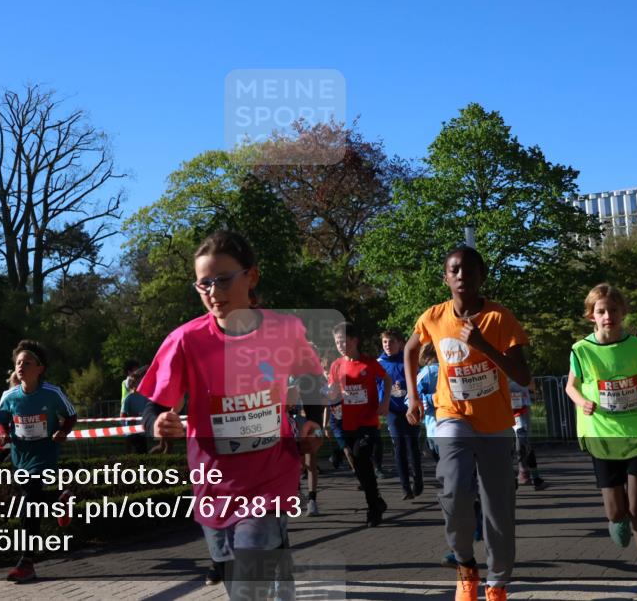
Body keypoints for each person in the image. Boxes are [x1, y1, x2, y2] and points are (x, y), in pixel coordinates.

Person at [138, 230, 324, 601]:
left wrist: (313, 422)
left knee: (247, 583)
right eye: (203, 283)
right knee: (232, 570)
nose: (212, 291)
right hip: (213, 483)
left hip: (270, 476)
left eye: (223, 280)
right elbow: (153, 407)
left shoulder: (285, 330)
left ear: (251, 276)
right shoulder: (185, 340)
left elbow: (312, 380)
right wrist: (156, 423)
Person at [405, 245, 531, 601]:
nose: (462, 276)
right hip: (452, 415)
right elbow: (410, 349)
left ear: (482, 276)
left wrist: (484, 345)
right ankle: (465, 567)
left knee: (497, 506)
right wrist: (413, 397)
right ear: (445, 278)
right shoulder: (433, 316)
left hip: (494, 423)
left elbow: (523, 375)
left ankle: (497, 583)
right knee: (454, 490)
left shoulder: (499, 317)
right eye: (455, 270)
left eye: (469, 270)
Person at [565, 283, 637, 597]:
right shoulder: (581, 350)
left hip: (636, 431)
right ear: (591, 316)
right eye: (601, 311)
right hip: (602, 434)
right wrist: (582, 402)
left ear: (623, 312)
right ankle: (615, 519)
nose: (608, 315)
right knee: (616, 512)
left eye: (613, 310)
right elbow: (570, 386)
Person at [0, 339, 78, 583]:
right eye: (18, 362)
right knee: (30, 499)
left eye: (27, 362)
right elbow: (0, 419)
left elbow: (71, 415)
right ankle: (60, 499)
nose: (21, 366)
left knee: (28, 503)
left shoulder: (52, 393)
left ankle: (26, 562)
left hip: (44, 455)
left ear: (40, 368)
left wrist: (63, 431)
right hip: (20, 456)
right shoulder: (9, 396)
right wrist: (2, 433)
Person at [330, 321, 390, 527]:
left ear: (354, 340)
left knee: (362, 457)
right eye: (337, 342)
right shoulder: (336, 365)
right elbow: (333, 391)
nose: (340, 345)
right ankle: (377, 501)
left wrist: (385, 402)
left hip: (367, 421)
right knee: (359, 466)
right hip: (346, 423)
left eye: (343, 341)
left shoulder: (369, 363)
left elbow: (387, 380)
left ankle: (373, 509)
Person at [378, 329, 424, 500]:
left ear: (400, 343)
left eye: (391, 342)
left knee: (412, 446)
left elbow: (418, 381)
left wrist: (408, 392)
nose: (387, 345)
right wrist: (382, 400)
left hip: (409, 408)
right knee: (399, 447)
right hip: (392, 410)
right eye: (385, 342)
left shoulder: (408, 360)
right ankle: (405, 488)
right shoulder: (379, 363)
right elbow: (376, 386)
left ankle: (418, 480)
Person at [509, 378, 547, 490]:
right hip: (508, 408)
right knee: (515, 442)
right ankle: (522, 476)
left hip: (517, 407)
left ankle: (532, 477)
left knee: (521, 442)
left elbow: (531, 385)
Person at [416, 342, 440, 462]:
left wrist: (432, 399)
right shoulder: (429, 372)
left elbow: (413, 399)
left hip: (435, 429)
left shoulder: (428, 372)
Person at [122, 364, 151, 454]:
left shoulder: (144, 397)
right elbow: (123, 415)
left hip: (142, 430)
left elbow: (148, 409)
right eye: (137, 382)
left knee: (143, 451)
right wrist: (130, 420)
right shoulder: (128, 398)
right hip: (131, 431)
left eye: (140, 381)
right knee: (133, 452)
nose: (140, 383)